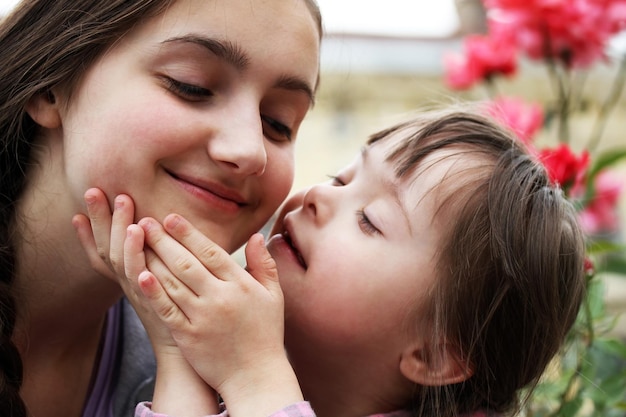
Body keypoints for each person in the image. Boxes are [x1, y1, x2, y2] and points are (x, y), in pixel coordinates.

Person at [79, 108, 587, 417]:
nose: (320, 195)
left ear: (436, 354)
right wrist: (175, 350)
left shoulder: (249, 383)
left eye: (370, 219)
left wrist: (255, 375)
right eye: (342, 179)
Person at [0, 0, 322, 416]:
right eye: (192, 86)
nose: (248, 150)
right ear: (49, 84)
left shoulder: (228, 369)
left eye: (277, 122)